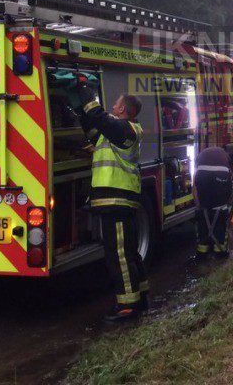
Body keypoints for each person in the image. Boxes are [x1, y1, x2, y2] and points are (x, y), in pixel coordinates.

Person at [73, 84, 148, 324]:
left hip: (118, 201)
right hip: (117, 201)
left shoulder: (127, 130)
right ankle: (140, 295)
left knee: (119, 255)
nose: (112, 106)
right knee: (128, 252)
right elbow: (93, 128)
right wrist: (78, 107)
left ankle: (128, 307)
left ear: (123, 109)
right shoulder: (113, 133)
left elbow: (101, 118)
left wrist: (86, 93)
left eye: (115, 103)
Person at [194, 145, 233, 260]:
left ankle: (202, 249)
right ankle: (220, 250)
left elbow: (196, 176)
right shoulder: (226, 157)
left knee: (204, 209)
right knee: (221, 208)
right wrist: (228, 202)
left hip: (201, 174)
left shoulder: (204, 153)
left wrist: (199, 202)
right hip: (221, 175)